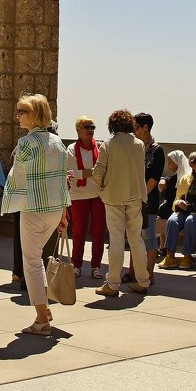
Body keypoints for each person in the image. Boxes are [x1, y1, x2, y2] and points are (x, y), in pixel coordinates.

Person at [0, 94, 70, 336]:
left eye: (22, 111)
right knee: (37, 259)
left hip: (33, 208)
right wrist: (63, 211)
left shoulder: (27, 143)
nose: (17, 115)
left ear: (35, 115)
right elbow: (62, 179)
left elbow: (17, 177)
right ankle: (44, 308)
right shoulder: (58, 143)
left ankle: (41, 318)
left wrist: (11, 201)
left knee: (31, 262)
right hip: (53, 208)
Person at [92, 108, 150, 296]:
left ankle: (113, 283)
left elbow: (98, 172)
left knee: (116, 239)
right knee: (136, 240)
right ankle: (143, 280)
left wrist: (102, 188)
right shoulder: (139, 144)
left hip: (114, 196)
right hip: (135, 195)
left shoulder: (108, 144)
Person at [67, 116, 105, 278]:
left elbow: (101, 170)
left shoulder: (100, 148)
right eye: (87, 127)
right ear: (78, 130)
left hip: (98, 195)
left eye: (92, 127)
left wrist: (87, 173)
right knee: (78, 231)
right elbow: (73, 173)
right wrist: (93, 171)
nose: (90, 130)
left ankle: (96, 266)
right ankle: (76, 265)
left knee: (99, 231)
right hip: (79, 196)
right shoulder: (71, 149)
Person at [131, 112, 165, 284]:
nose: (134, 131)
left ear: (145, 128)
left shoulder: (157, 150)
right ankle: (134, 272)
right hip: (132, 199)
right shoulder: (134, 146)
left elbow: (154, 178)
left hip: (147, 201)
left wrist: (141, 196)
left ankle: (149, 274)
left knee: (148, 237)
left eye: (136, 127)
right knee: (134, 237)